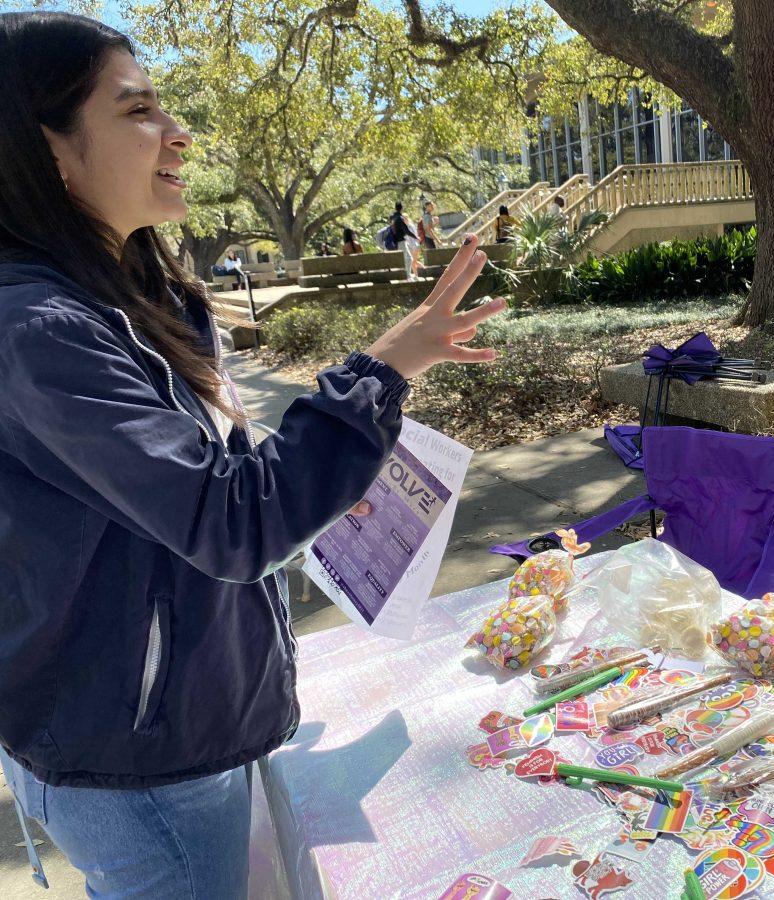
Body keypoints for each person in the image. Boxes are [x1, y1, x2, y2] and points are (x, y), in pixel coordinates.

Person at [0, 12, 505, 897]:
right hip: (136, 758)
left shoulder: (132, 293)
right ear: (49, 153)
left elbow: (189, 478)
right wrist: (378, 372)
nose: (178, 131)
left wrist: (309, 474)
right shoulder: (41, 331)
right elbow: (230, 522)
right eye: (137, 110)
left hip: (174, 720)